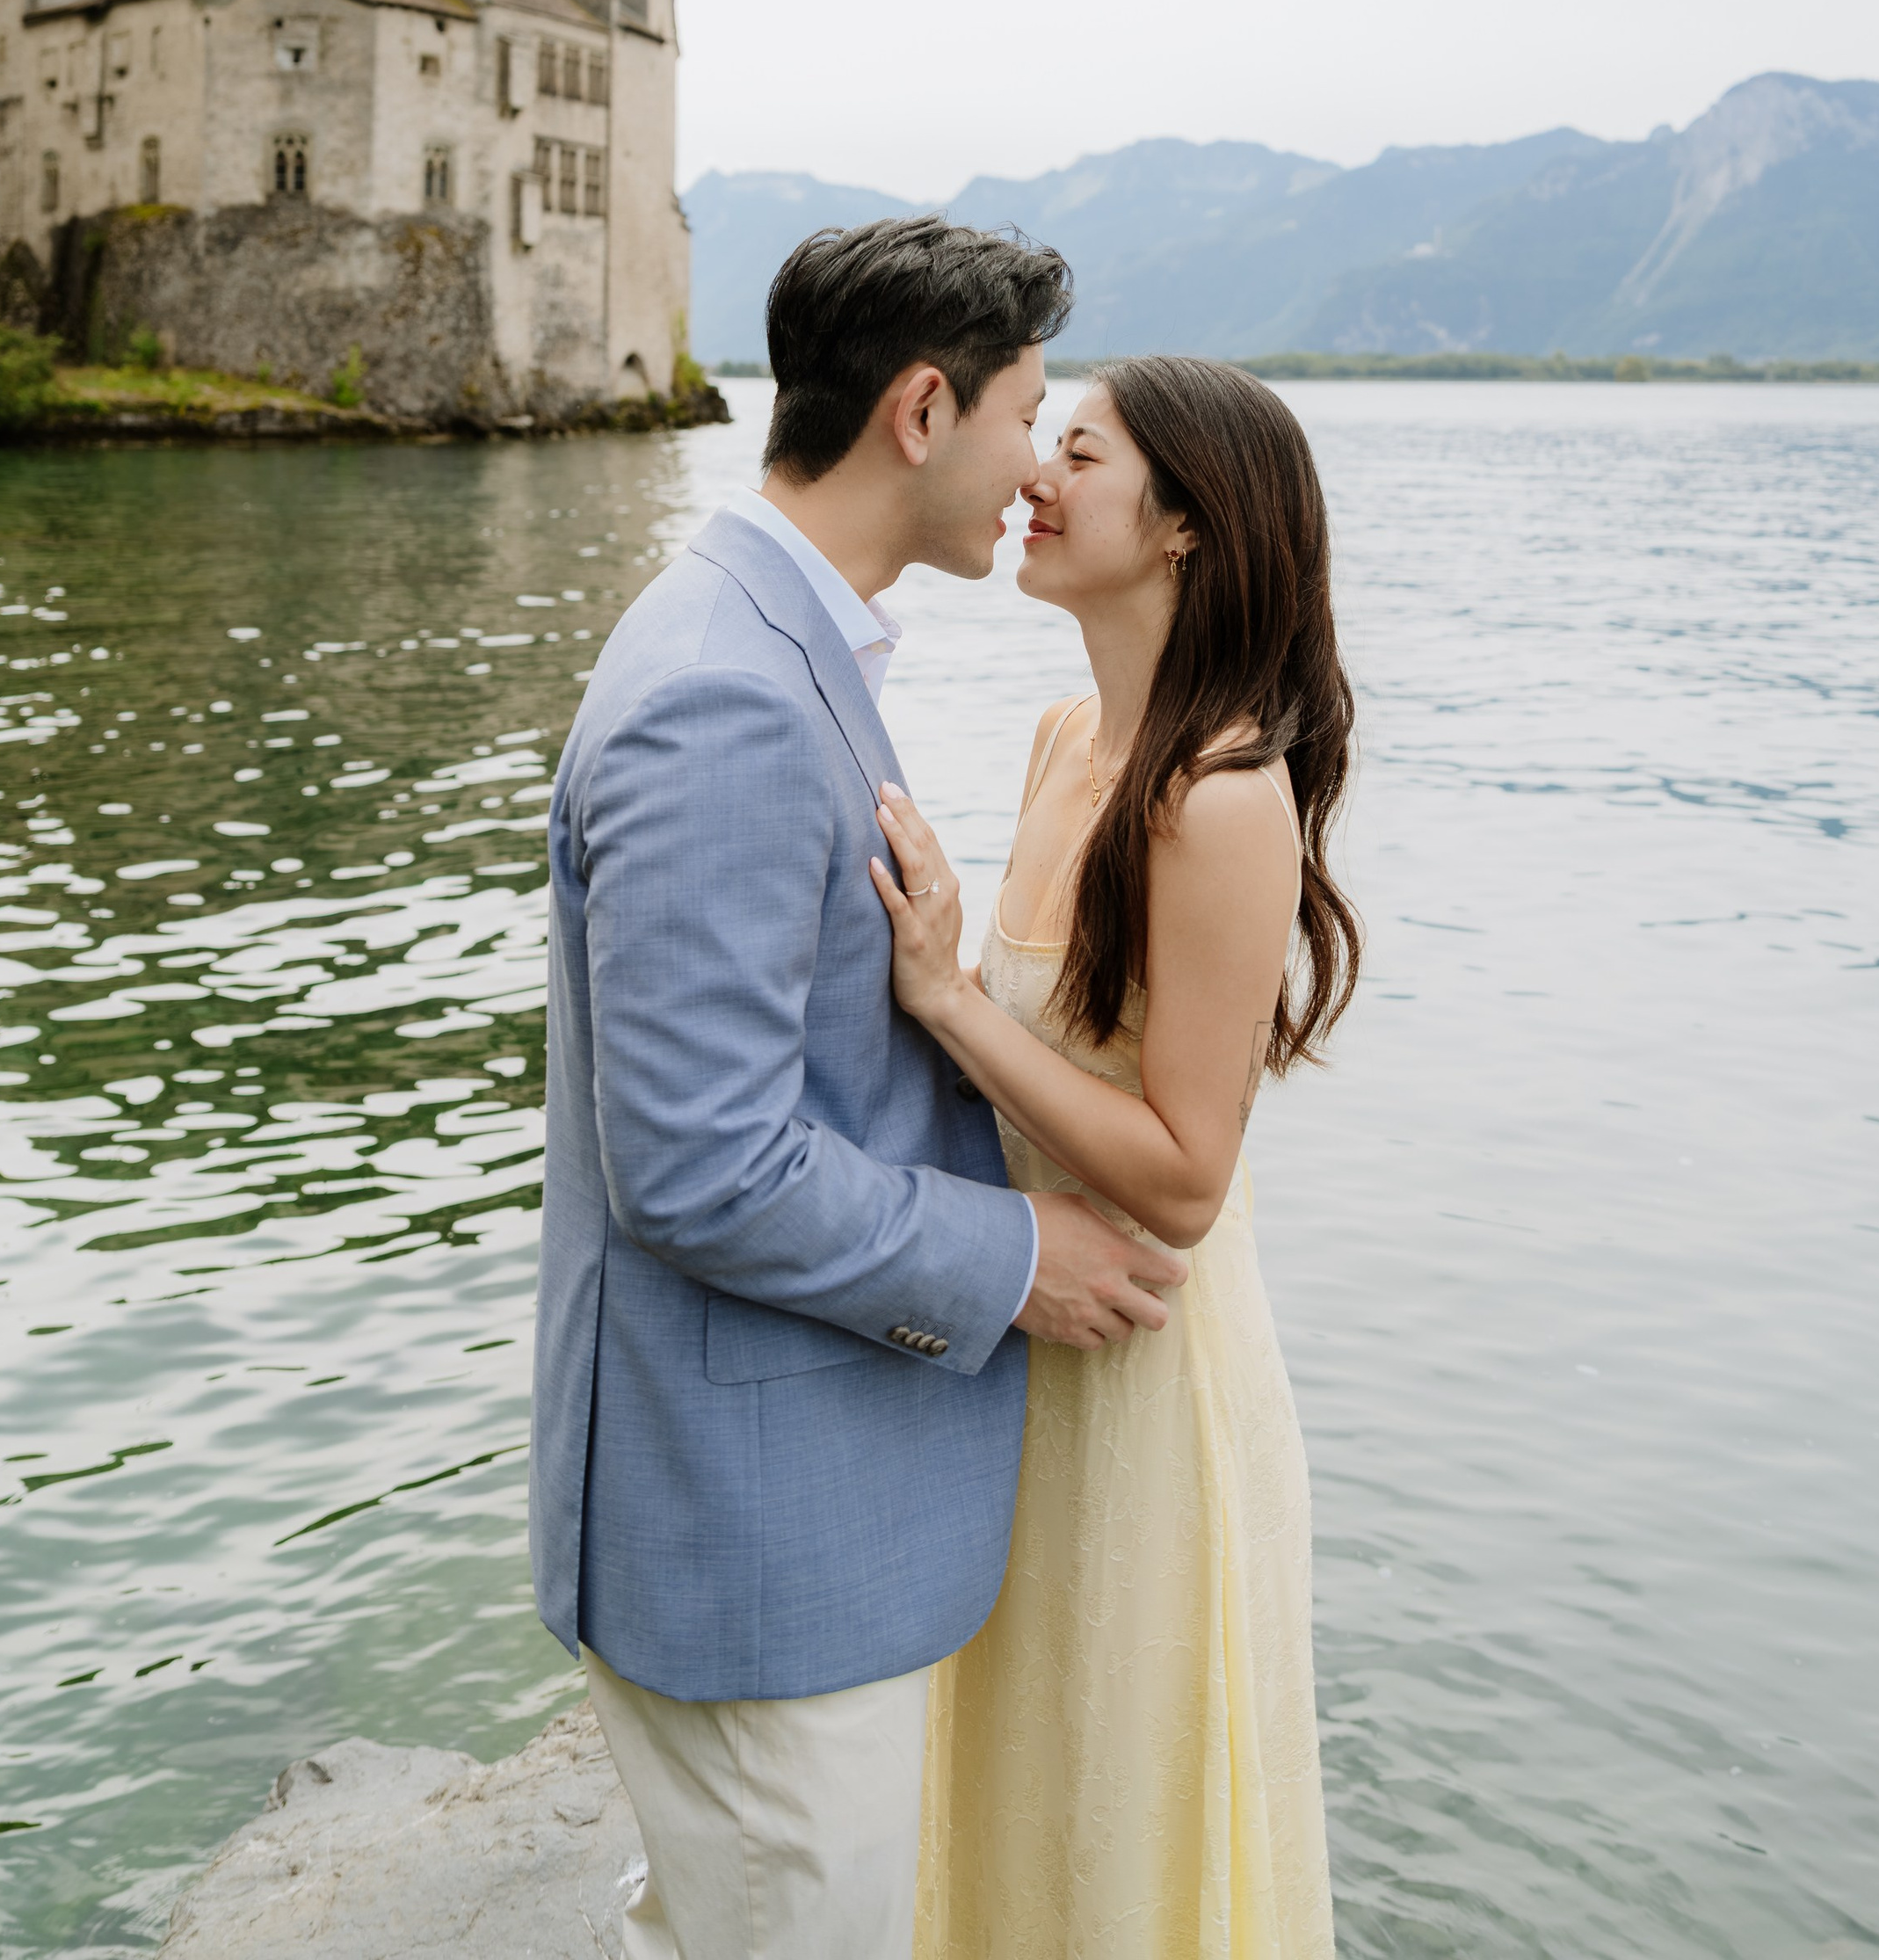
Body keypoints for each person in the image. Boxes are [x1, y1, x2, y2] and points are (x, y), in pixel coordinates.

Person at [530, 219, 1187, 1960]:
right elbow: (698, 1165)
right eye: (1021, 415)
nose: (1032, 472)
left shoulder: (763, 636)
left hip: (769, 1528)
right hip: (753, 1549)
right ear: (918, 409)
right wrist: (1008, 1258)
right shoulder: (728, 695)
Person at [871, 356, 1361, 1959]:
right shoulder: (1059, 734)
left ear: (1184, 532)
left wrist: (945, 992)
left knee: (1118, 1818)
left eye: (1079, 456)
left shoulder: (1222, 798)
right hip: (1019, 1343)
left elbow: (1184, 1172)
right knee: (1010, 1807)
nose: (1036, 478)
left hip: (1143, 1372)